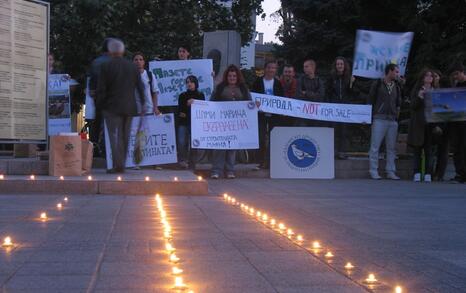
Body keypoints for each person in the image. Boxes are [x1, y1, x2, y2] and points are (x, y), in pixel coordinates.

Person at [96, 39, 145, 173]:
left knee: (113, 136)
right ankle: (121, 164)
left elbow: (101, 89)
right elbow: (140, 87)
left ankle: (117, 164)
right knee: (125, 136)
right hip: (129, 107)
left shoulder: (105, 66)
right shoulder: (132, 67)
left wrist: (99, 106)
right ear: (122, 51)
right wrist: (144, 103)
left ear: (110, 51)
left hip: (111, 107)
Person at [210, 64, 252, 179]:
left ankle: (230, 170)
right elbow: (212, 102)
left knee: (232, 147)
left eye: (234, 76)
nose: (232, 78)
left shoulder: (243, 88)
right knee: (220, 146)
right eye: (230, 76)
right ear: (226, 76)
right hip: (221, 123)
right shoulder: (220, 88)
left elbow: (249, 103)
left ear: (237, 77)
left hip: (236, 124)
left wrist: (254, 106)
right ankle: (216, 170)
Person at [368, 63, 402, 180]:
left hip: (392, 120)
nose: (398, 74)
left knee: (391, 148)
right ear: (390, 71)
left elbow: (398, 103)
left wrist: (397, 116)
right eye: (396, 72)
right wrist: (370, 116)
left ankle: (390, 171)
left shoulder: (397, 86)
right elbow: (371, 100)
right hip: (379, 118)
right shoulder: (378, 84)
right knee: (375, 146)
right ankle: (373, 170)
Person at [252, 60, 284, 169]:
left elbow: (281, 99)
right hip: (260, 115)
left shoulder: (278, 83)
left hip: (274, 116)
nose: (271, 70)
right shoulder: (258, 81)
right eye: (269, 67)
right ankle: (260, 162)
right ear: (265, 69)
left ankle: (271, 163)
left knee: (273, 138)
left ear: (276, 70)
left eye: (273, 68)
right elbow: (252, 96)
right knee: (261, 138)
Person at [407, 69, 436, 182]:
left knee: (429, 150)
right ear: (422, 77)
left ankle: (428, 173)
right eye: (427, 75)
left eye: (431, 76)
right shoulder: (417, 89)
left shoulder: (435, 90)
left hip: (430, 124)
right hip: (418, 124)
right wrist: (420, 96)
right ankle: (417, 172)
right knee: (417, 150)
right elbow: (413, 106)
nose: (429, 77)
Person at [88, 38, 113, 157]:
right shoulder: (114, 61)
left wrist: (94, 95)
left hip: (98, 98)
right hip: (112, 98)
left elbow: (92, 82)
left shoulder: (96, 62)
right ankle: (106, 149)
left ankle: (93, 148)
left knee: (97, 123)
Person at [326, 57, 352, 159]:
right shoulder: (331, 78)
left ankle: (342, 151)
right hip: (334, 108)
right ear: (335, 66)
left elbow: (352, 93)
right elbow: (327, 92)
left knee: (344, 130)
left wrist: (352, 84)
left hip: (345, 108)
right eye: (338, 64)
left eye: (341, 64)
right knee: (334, 130)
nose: (339, 66)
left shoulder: (349, 78)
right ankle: (333, 151)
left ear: (344, 65)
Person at [178, 76, 205, 169]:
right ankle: (183, 160)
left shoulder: (200, 95)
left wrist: (195, 102)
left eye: (191, 82)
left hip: (196, 123)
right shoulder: (182, 96)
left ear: (195, 83)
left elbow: (203, 108)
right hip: (184, 123)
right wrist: (187, 105)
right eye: (187, 82)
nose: (189, 84)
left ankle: (192, 162)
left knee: (194, 144)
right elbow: (181, 111)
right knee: (182, 142)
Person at [448, 62, 466, 183]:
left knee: (464, 147)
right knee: (456, 148)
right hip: (456, 121)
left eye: (457, 74)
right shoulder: (456, 85)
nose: (455, 77)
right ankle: (459, 173)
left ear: (463, 72)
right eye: (454, 75)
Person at [297, 59, 325, 126]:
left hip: (316, 113)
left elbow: (321, 96)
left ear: (313, 67)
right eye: (304, 67)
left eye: (306, 66)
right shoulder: (301, 79)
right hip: (303, 113)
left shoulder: (319, 81)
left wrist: (306, 93)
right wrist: (313, 94)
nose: (304, 69)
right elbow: (299, 94)